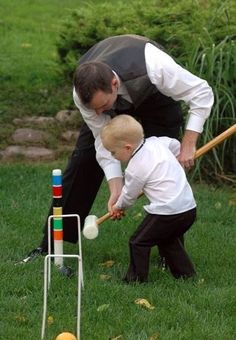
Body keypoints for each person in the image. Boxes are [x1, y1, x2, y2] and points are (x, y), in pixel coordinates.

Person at [24, 34, 213, 261]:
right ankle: (51, 246)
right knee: (83, 161)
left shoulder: (154, 65)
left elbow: (201, 92)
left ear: (114, 84)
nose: (97, 114)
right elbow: (102, 140)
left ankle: (170, 255)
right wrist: (116, 187)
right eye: (93, 108)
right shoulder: (85, 96)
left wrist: (188, 144)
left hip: (156, 99)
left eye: (101, 106)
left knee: (164, 169)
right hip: (114, 104)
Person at [100, 114, 197, 282]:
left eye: (113, 152)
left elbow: (129, 195)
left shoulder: (136, 168)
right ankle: (185, 276)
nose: (112, 156)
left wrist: (118, 207)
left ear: (128, 148)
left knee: (138, 242)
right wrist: (175, 156)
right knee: (167, 240)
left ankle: (135, 280)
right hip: (188, 209)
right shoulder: (157, 142)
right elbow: (174, 144)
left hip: (168, 212)